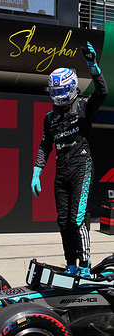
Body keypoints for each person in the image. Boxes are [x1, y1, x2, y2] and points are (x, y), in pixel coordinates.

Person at [31, 42, 108, 278]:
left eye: (61, 91)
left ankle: (85, 265)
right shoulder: (49, 117)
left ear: (72, 88)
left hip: (82, 168)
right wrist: (36, 171)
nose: (58, 96)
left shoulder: (83, 106)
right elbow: (45, 145)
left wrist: (93, 65)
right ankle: (71, 265)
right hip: (61, 173)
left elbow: (102, 92)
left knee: (77, 219)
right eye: (54, 92)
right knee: (63, 221)